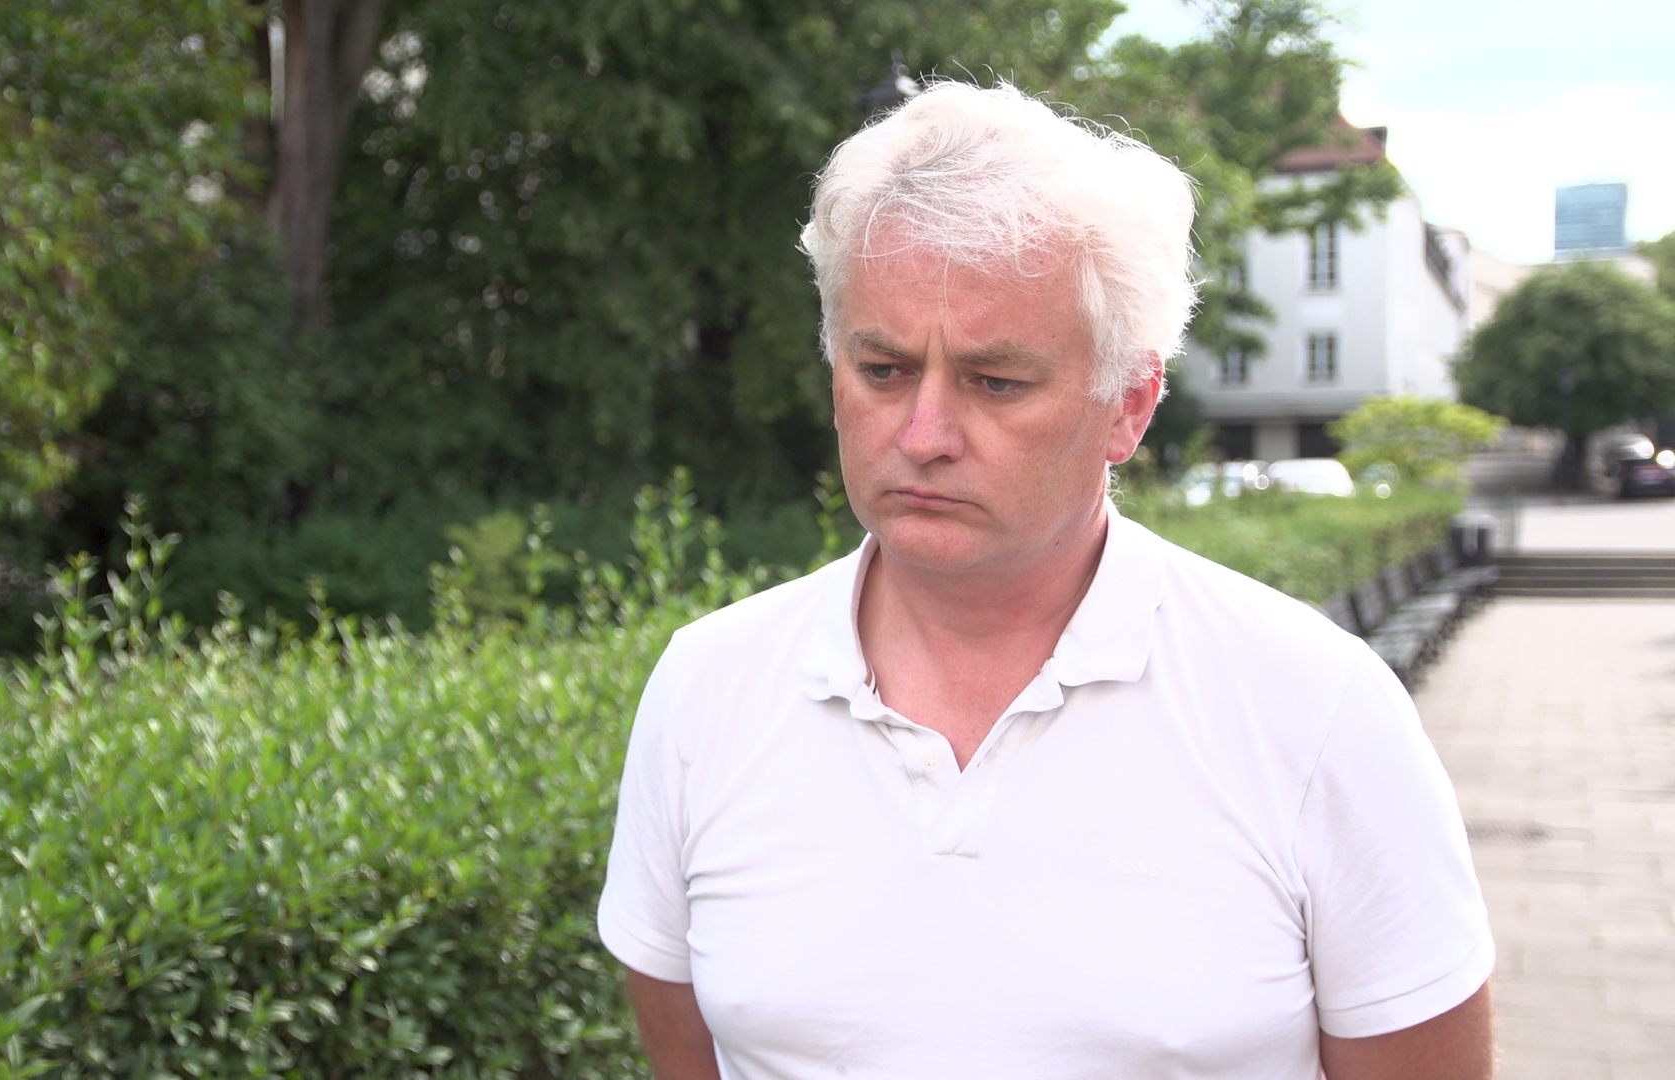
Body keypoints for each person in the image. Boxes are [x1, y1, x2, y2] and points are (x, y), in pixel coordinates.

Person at [597, 81, 1495, 1080]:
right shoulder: (706, 691)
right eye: (884, 369)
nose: (924, 435)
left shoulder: (1314, 710)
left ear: (1130, 405)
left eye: (996, 382)